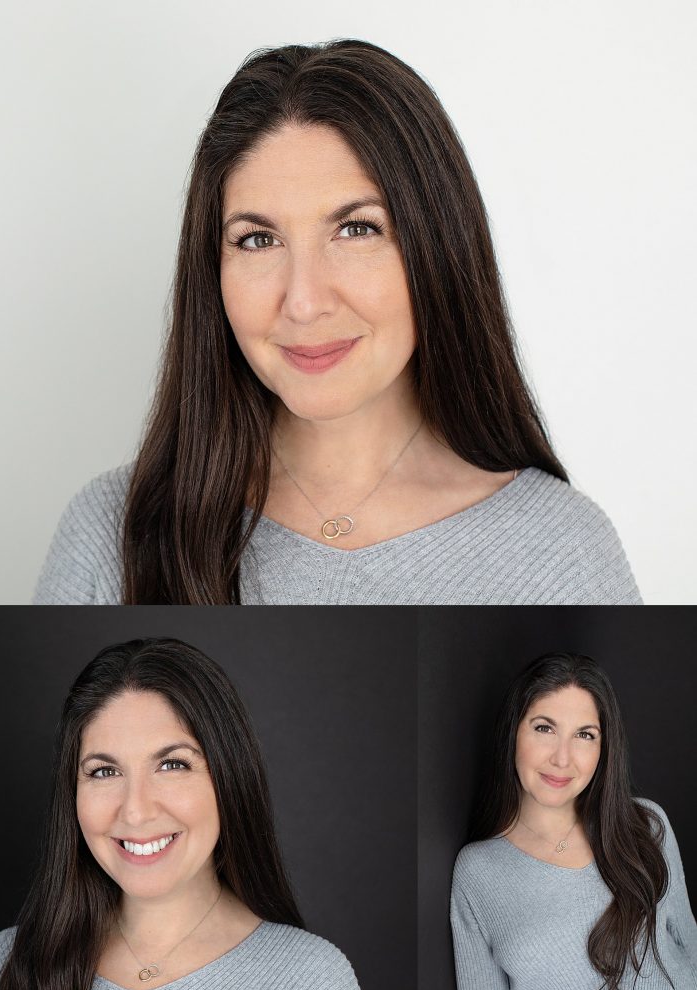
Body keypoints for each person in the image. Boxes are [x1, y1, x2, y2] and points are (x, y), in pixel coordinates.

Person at [33, 39, 640, 606]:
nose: (303, 301)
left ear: (438, 247)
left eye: (357, 229)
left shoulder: (563, 556)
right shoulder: (110, 534)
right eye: (258, 239)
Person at [0, 638, 372, 990]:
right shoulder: (4, 969)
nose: (135, 811)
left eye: (172, 765)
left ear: (229, 779)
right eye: (104, 771)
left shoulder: (310, 984)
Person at [450, 653, 697, 990]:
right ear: (514, 732)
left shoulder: (645, 823)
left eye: (584, 735)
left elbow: (689, 943)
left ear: (604, 748)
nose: (562, 759)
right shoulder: (478, 873)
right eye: (544, 728)